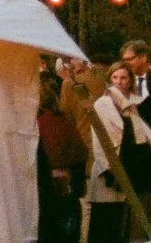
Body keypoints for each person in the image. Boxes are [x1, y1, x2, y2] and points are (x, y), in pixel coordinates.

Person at [89, 61, 142, 243]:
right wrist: (110, 169)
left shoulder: (136, 104)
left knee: (127, 224)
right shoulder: (101, 104)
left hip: (131, 166)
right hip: (108, 172)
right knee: (106, 224)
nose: (119, 82)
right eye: (115, 78)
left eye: (123, 78)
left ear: (130, 81)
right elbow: (98, 141)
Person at [40, 65, 88, 243]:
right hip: (65, 192)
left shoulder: (37, 124)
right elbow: (80, 154)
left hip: (46, 193)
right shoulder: (64, 122)